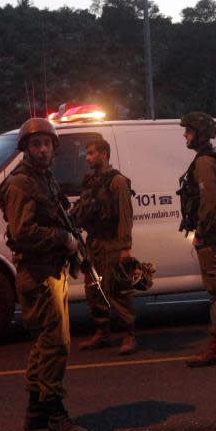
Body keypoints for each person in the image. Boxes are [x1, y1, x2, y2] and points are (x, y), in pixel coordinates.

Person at [0, 118, 89, 431]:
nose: (42, 149)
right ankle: (55, 415)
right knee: (56, 344)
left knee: (43, 344)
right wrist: (62, 238)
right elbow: (23, 232)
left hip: (50, 271)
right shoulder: (22, 184)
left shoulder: (44, 179)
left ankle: (35, 410)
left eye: (46, 144)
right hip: (38, 273)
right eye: (35, 144)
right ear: (25, 149)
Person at [178, 112, 216, 367]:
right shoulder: (213, 159)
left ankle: (214, 348)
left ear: (200, 134)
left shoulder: (204, 162)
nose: (185, 135)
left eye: (189, 132)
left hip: (212, 233)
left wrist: (201, 234)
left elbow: (209, 204)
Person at [75, 139, 137, 355]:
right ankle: (102, 331)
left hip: (112, 243)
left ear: (104, 154)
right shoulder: (90, 180)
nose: (87, 157)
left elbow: (125, 216)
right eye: (87, 153)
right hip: (94, 243)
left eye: (91, 153)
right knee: (93, 289)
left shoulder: (117, 182)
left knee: (116, 290)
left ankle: (129, 333)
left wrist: (125, 248)